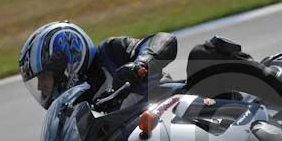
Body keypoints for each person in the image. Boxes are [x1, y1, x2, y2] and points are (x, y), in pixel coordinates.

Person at [19, 21, 178, 109]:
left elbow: (163, 40)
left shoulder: (110, 51)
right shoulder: (70, 108)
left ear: (65, 65)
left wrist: (141, 64)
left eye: (43, 77)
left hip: (169, 112)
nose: (40, 87)